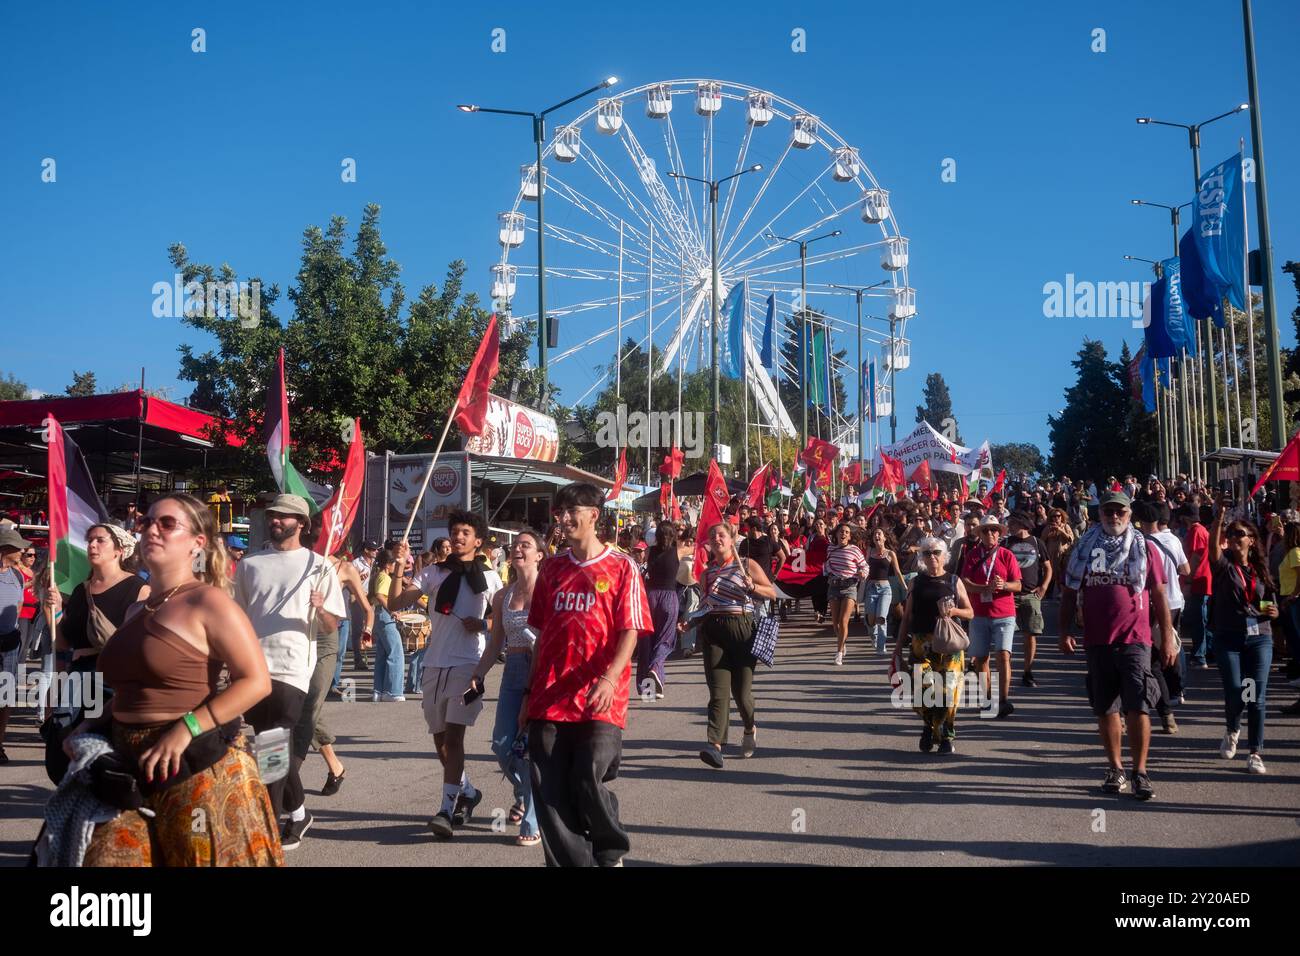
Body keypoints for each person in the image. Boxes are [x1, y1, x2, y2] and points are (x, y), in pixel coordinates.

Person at [69, 492, 282, 866]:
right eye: (147, 521)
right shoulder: (139, 607)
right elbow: (131, 687)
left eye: (167, 523)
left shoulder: (209, 602)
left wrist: (186, 728)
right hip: (126, 768)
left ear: (196, 543)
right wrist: (90, 724)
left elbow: (256, 681)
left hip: (195, 765)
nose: (152, 529)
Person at [520, 483, 651, 867]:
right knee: (550, 791)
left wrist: (610, 678)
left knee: (589, 776)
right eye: (559, 512)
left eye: (571, 510)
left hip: (600, 697)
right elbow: (541, 634)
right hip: (549, 697)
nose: (563, 519)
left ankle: (609, 852)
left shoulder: (621, 566)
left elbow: (631, 629)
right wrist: (528, 694)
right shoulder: (553, 568)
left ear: (594, 515)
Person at [234, 493, 346, 850]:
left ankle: (271, 821)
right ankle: (299, 814)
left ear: (302, 523)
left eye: (283, 516)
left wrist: (319, 607)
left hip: (293, 666)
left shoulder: (320, 566)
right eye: (273, 515)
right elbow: (237, 616)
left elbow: (331, 626)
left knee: (272, 743)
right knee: (269, 743)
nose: (276, 520)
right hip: (253, 665)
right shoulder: (250, 564)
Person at [389, 511, 502, 838]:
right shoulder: (433, 574)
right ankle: (467, 792)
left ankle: (445, 809)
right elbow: (395, 601)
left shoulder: (491, 578)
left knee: (454, 737)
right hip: (434, 664)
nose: (458, 537)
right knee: (440, 740)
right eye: (454, 532)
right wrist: (399, 565)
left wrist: (482, 624)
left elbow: (504, 620)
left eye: (465, 532)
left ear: (477, 540)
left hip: (469, 664)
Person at [1059, 490, 1176, 801]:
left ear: (1129, 515)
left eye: (1120, 512)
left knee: (1138, 704)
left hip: (1136, 639)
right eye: (1108, 511)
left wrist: (1166, 636)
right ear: (1100, 514)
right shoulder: (1083, 547)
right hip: (1097, 639)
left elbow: (1160, 595)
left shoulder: (1145, 548)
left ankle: (1140, 772)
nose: (1114, 517)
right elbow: (1070, 592)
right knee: (1106, 707)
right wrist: (1063, 630)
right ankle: (1115, 768)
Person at [472, 530, 545, 847]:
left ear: (539, 554)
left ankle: (532, 818)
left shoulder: (551, 590)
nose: (517, 549)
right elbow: (495, 644)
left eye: (525, 545)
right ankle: (524, 791)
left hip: (544, 672)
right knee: (502, 745)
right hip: (515, 669)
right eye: (515, 545)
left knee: (530, 751)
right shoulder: (502, 595)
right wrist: (478, 674)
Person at [43, 524, 150, 713]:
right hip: (77, 680)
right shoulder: (80, 591)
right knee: (65, 737)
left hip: (114, 682)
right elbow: (63, 644)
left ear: (119, 551)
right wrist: (56, 610)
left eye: (100, 540)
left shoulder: (139, 589)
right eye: (90, 540)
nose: (92, 545)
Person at [697, 520, 777, 769]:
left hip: (743, 629)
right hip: (713, 632)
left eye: (721, 535)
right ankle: (715, 746)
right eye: (712, 537)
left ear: (732, 540)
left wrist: (752, 586)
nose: (716, 539)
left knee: (742, 694)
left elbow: (772, 592)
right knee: (718, 693)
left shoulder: (747, 565)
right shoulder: (706, 573)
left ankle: (750, 727)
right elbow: (703, 606)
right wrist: (687, 624)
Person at [1206, 497, 1276, 774]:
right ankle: (1232, 729)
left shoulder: (1260, 568)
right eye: (1231, 533)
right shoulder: (1223, 566)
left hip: (1259, 637)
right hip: (1229, 638)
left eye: (1240, 534)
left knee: (1256, 694)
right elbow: (1213, 547)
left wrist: (1272, 612)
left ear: (1251, 541)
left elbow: (1265, 600)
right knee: (1237, 690)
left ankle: (1255, 752)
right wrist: (1219, 518)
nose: (1234, 537)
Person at [894, 536, 975, 753]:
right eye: (927, 553)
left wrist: (954, 611)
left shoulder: (953, 580)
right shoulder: (916, 582)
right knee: (925, 689)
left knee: (948, 691)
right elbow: (907, 615)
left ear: (944, 556)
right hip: (922, 643)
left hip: (949, 645)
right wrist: (898, 648)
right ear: (921, 557)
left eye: (936, 553)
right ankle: (929, 727)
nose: (932, 557)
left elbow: (970, 612)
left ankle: (946, 737)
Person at [1134, 502, 1189, 729]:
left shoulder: (1142, 544)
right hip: (1175, 602)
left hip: (1154, 604)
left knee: (1153, 661)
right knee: (1172, 645)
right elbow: (1186, 570)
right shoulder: (1174, 540)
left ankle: (1165, 711)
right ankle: (1177, 689)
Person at [960, 515, 1022, 718]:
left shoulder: (1006, 555)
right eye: (985, 530)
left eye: (993, 530)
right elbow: (965, 582)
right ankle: (988, 698)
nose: (990, 534)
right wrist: (984, 588)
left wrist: (1004, 585)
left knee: (1003, 655)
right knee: (981, 658)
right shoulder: (972, 555)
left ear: (999, 533)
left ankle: (1003, 700)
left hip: (1004, 613)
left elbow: (1018, 585)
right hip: (979, 614)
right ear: (980, 534)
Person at [0, 526, 38, 763]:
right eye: (19, 547)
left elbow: (20, 604)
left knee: (5, 698)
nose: (24, 550)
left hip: (10, 643)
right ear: (6, 548)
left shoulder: (16, 575)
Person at [1004, 512, 1051, 688]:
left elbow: (1048, 567)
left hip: (1031, 595)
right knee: (1007, 635)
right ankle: (1006, 670)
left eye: (1012, 523)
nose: (1009, 527)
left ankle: (1027, 671)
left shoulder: (1037, 543)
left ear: (1022, 523)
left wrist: (1044, 587)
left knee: (1030, 635)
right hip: (1009, 595)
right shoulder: (1007, 543)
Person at [639, 522, 685, 699]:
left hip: (649, 597)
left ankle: (649, 691)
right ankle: (656, 667)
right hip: (668, 597)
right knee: (665, 639)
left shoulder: (650, 551)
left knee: (647, 643)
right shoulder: (679, 550)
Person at [824, 523, 869, 665]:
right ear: (836, 534)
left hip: (850, 587)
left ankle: (838, 653)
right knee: (835, 623)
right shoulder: (830, 549)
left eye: (846, 532)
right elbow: (825, 565)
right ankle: (842, 643)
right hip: (834, 586)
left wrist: (863, 573)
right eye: (841, 532)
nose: (843, 534)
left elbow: (864, 566)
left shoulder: (855, 550)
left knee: (843, 621)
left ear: (849, 536)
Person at [366, 548, 406, 701]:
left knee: (383, 655)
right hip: (385, 615)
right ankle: (393, 691)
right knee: (396, 654)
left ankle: (379, 690)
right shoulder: (384, 577)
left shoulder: (378, 575)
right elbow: (380, 595)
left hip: (380, 615)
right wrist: (392, 610)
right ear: (389, 564)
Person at [1177, 503, 1214, 668]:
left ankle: (1200, 656)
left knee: (1199, 620)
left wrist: (1189, 580)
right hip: (1199, 581)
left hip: (1199, 582)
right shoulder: (1198, 530)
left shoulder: (1197, 531)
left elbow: (1196, 556)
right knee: (1201, 620)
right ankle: (1206, 652)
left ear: (1185, 517)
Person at [860, 527, 904, 659]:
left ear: (885, 537)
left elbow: (897, 572)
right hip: (871, 587)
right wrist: (861, 574)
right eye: (875, 534)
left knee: (881, 617)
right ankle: (874, 636)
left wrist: (905, 587)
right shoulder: (870, 551)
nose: (877, 536)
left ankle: (881, 646)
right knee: (871, 619)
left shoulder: (890, 554)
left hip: (885, 588)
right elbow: (865, 567)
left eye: (879, 534)